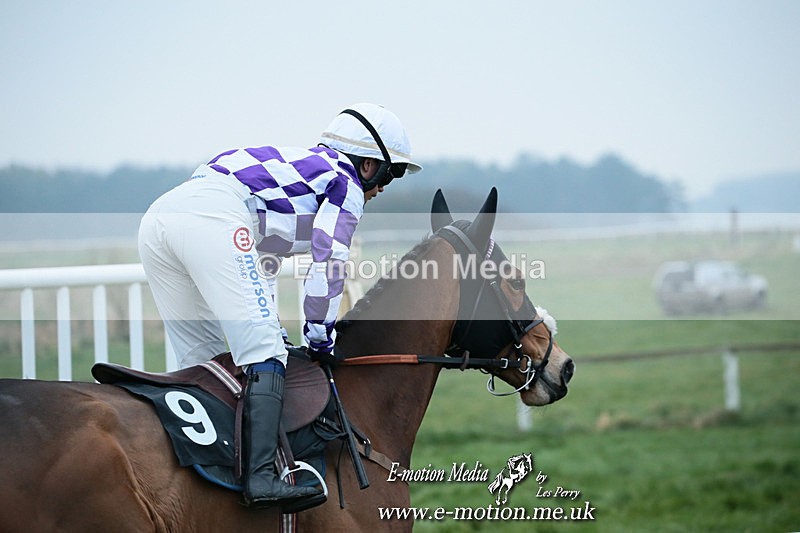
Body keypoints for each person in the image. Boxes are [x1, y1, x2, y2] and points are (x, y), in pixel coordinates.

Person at [137, 103, 422, 508]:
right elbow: (329, 263)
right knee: (264, 350)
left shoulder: (298, 175)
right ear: (368, 166)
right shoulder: (344, 183)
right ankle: (262, 479)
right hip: (212, 216)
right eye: (389, 175)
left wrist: (273, 326)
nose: (381, 190)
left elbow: (263, 261)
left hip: (160, 218)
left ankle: (203, 479)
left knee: (204, 360)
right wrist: (320, 338)